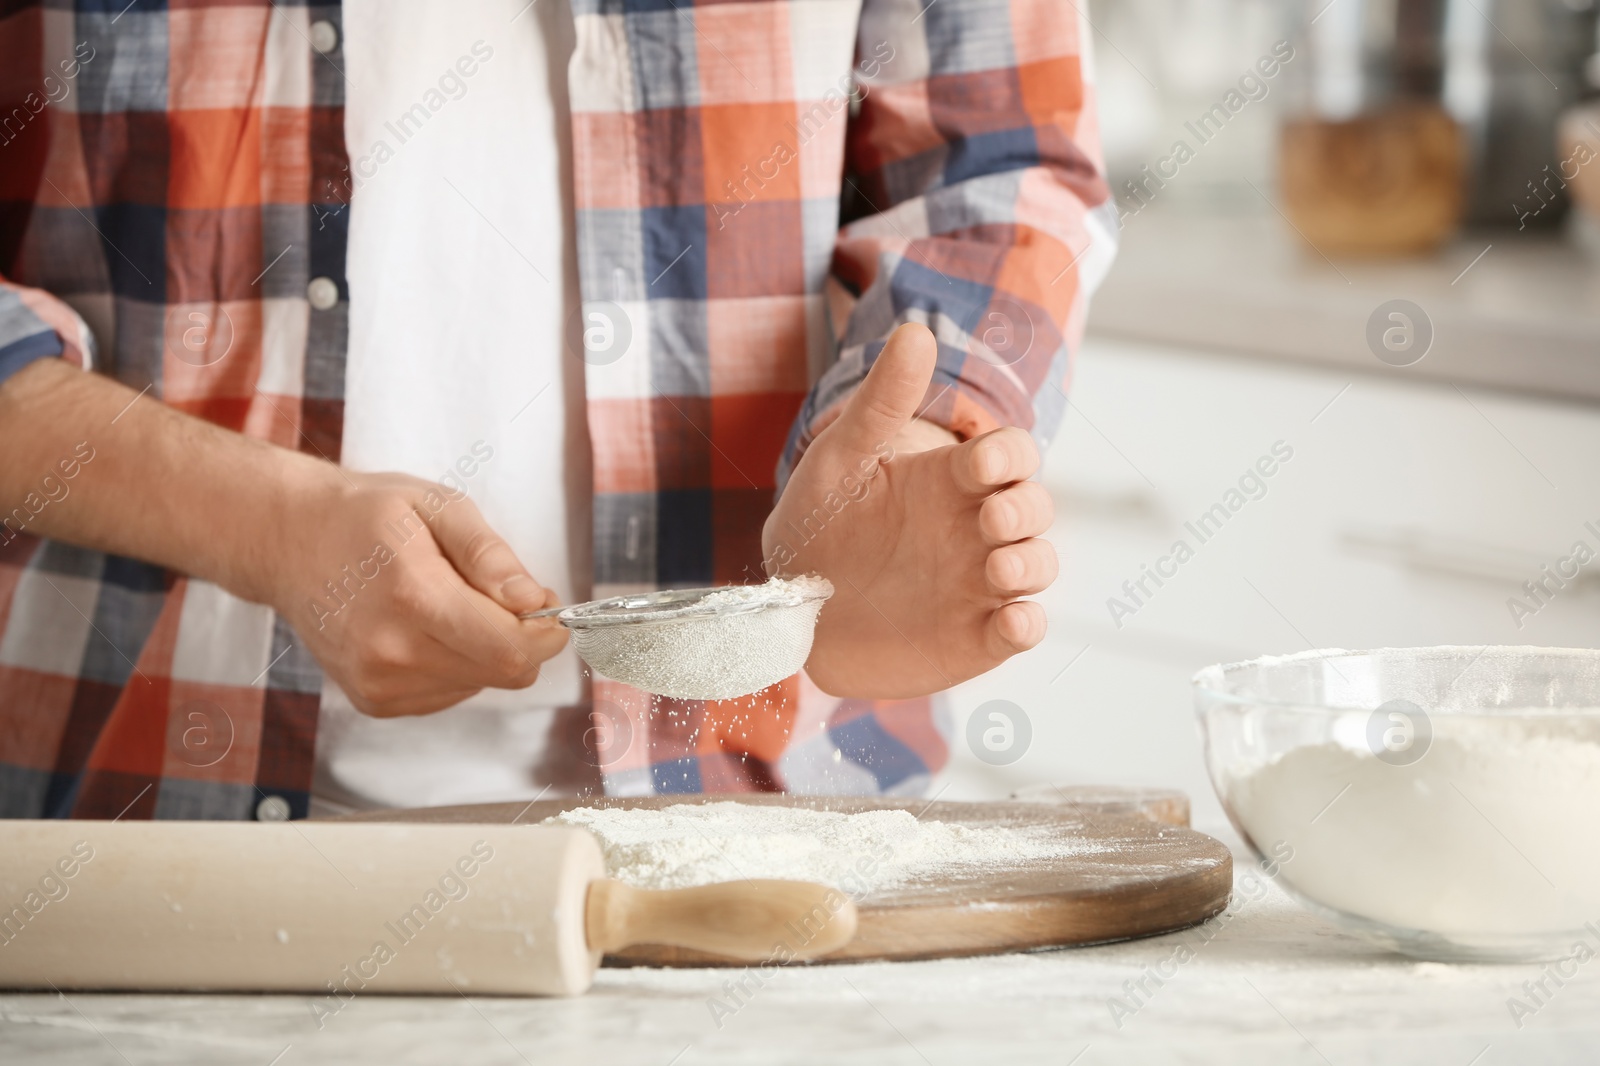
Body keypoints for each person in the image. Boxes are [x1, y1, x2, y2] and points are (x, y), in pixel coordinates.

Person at [0, 0, 1113, 820]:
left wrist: (907, 439)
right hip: (132, 815)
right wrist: (262, 522)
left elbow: (1002, 163)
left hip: (772, 814)